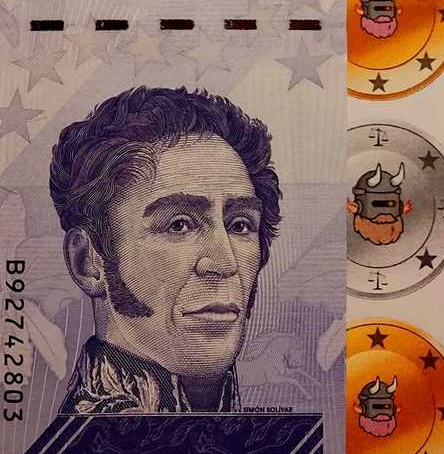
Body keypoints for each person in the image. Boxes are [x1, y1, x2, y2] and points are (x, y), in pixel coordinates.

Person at [45, 85, 280, 415]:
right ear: (88, 262)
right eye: (179, 225)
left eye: (240, 225)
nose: (225, 262)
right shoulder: (80, 444)